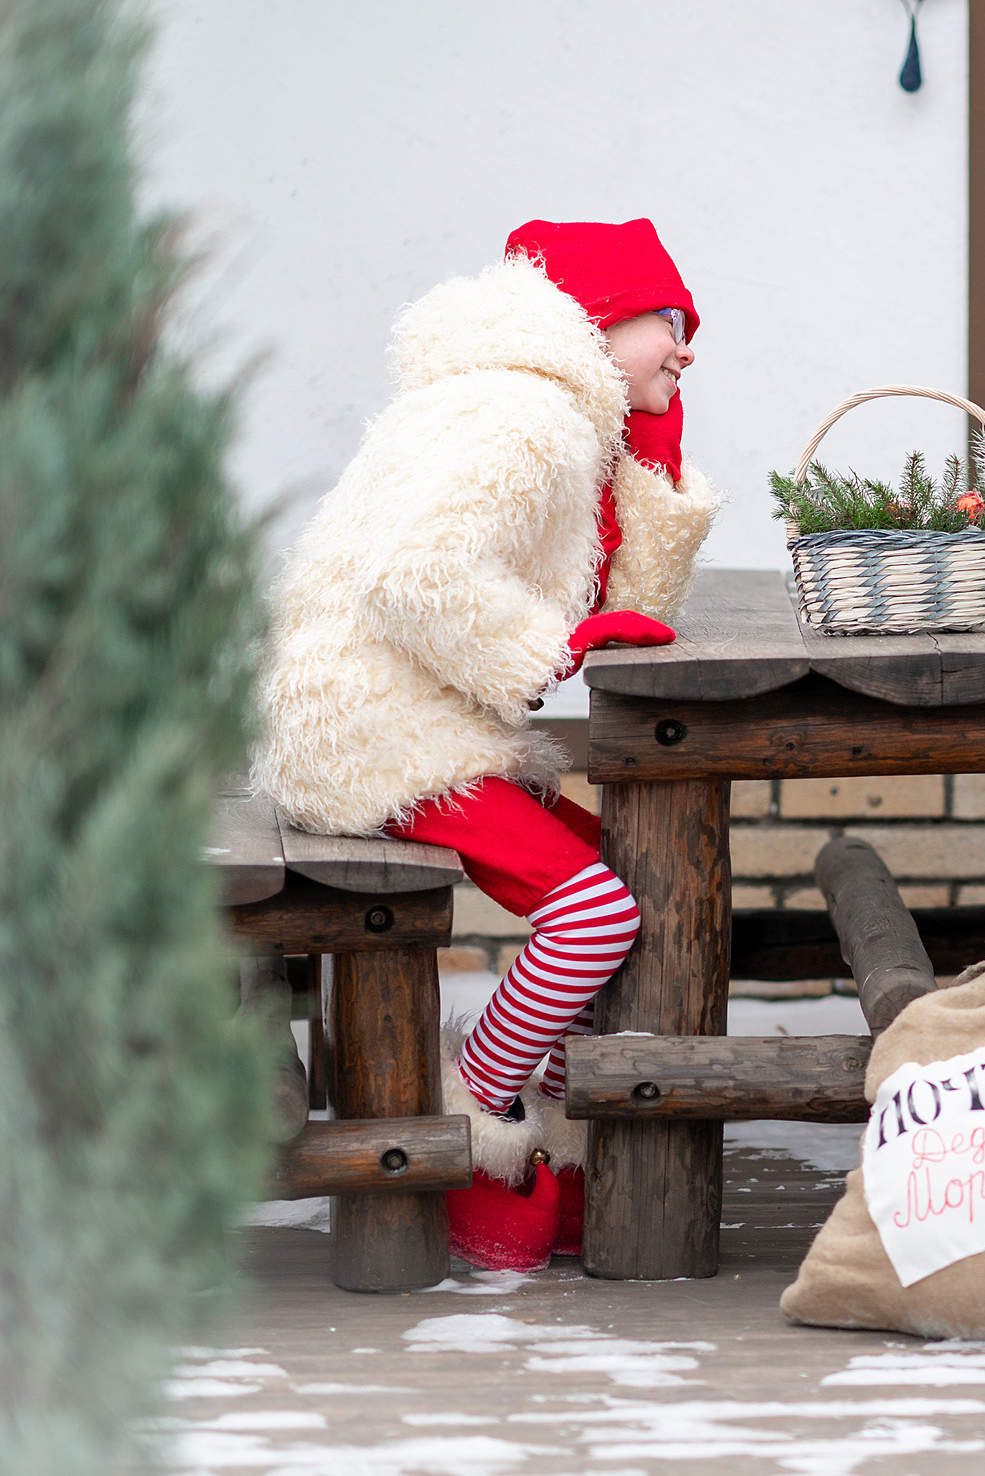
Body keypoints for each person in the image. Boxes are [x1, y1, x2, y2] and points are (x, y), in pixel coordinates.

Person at [253, 219, 718, 1272]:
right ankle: (481, 1107)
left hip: (425, 721)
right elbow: (413, 575)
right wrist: (548, 647)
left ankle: (556, 1120)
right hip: (376, 729)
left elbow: (633, 605)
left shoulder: (563, 419)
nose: (687, 349)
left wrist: (653, 466)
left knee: (624, 871)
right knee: (597, 907)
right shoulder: (519, 416)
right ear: (597, 322)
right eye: (666, 324)